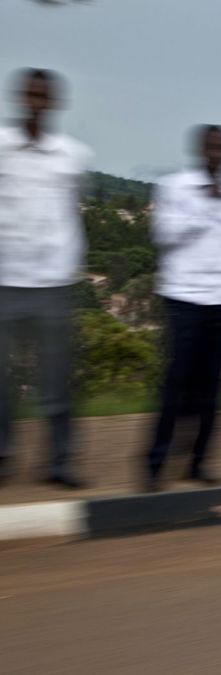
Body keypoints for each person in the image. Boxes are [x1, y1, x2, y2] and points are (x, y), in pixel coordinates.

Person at [144, 125, 221, 492]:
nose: (217, 154)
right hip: (183, 297)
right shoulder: (174, 186)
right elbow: (162, 234)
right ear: (200, 150)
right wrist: (205, 206)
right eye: (212, 147)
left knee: (211, 389)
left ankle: (199, 462)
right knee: (176, 385)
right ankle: (155, 464)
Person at [0, 68, 92, 489]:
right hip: (6, 280)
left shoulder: (71, 156)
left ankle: (59, 463)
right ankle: (3, 456)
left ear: (54, 103)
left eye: (44, 96)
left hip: (54, 283)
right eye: (31, 95)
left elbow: (75, 207)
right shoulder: (2, 146)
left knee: (56, 381)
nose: (37, 102)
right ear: (21, 98)